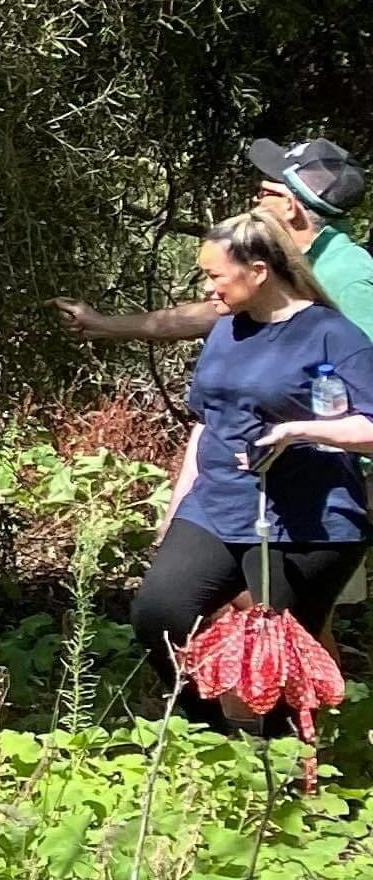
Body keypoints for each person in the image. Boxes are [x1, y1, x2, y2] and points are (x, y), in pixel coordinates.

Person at [127, 210, 373, 723]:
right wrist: (177, 507)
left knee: (277, 657)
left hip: (306, 522)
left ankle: (284, 773)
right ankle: (209, 734)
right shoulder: (226, 330)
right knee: (161, 613)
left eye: (216, 276)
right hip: (216, 506)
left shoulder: (331, 334)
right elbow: (206, 422)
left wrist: (299, 430)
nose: (208, 287)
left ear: (258, 271)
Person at [64, 139, 373, 342]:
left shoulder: (348, 277)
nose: (255, 199)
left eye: (264, 192)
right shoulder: (284, 260)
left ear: (289, 206)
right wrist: (102, 324)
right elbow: (209, 314)